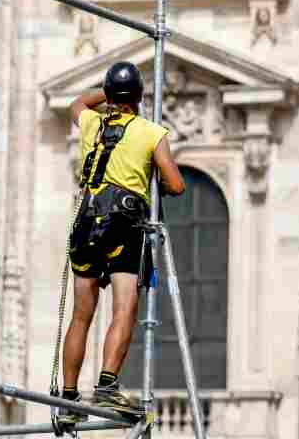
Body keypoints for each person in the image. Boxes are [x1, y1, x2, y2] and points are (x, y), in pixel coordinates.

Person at [57, 61, 186, 423]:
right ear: (140, 97)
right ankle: (107, 387)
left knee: (82, 316)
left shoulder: (91, 123)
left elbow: (78, 103)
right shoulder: (150, 132)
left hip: (86, 223)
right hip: (122, 227)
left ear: (112, 97)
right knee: (124, 307)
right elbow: (176, 185)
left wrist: (107, 91)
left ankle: (68, 400)